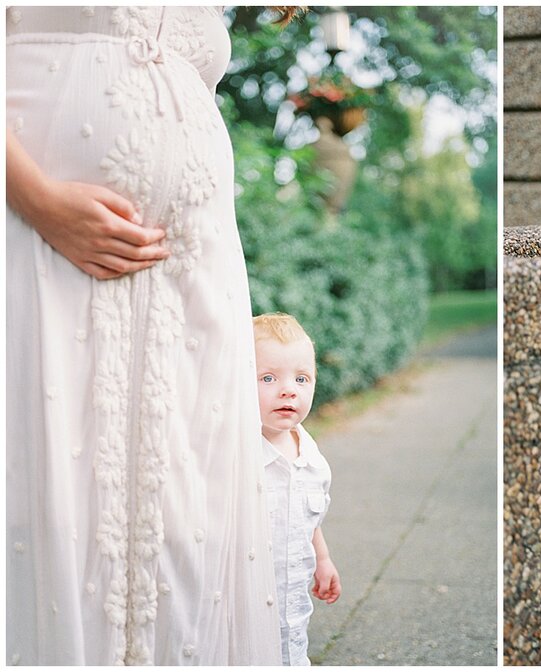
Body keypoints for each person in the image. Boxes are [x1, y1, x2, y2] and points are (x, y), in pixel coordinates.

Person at [5, 6, 299, 664]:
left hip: (194, 277)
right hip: (35, 240)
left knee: (188, 520)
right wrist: (34, 197)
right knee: (54, 494)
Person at [254, 313, 342, 666]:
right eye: (268, 377)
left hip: (293, 604)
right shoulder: (239, 459)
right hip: (249, 603)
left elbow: (309, 519)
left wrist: (322, 559)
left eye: (301, 378)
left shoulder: (313, 460)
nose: (288, 389)